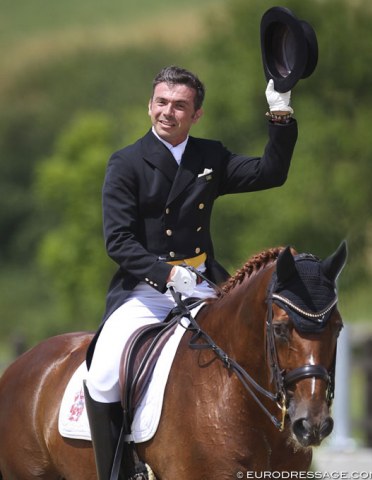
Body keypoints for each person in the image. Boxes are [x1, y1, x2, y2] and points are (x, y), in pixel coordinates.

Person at [84, 65, 297, 479]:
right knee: (104, 373)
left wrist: (281, 114)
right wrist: (166, 274)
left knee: (262, 345)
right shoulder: (126, 163)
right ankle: (117, 472)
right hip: (144, 290)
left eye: (180, 105)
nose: (168, 112)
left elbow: (272, 172)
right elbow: (119, 242)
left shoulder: (209, 157)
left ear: (196, 114)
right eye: (161, 102)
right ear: (150, 106)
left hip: (203, 286)